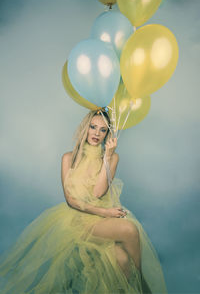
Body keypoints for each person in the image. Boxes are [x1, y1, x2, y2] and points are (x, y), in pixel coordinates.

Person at [0, 109, 168, 294]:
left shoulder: (113, 157)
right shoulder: (68, 158)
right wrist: (105, 213)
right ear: (85, 128)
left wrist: (108, 157)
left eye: (103, 130)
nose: (96, 133)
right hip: (77, 221)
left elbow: (98, 191)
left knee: (122, 258)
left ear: (108, 134)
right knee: (130, 229)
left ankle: (129, 288)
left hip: (104, 219)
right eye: (93, 127)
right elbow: (71, 200)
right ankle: (143, 286)